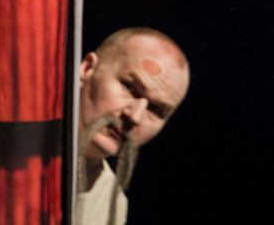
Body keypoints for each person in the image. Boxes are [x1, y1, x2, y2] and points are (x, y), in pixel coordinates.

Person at [76, 27, 190, 225]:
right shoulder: (18, 134)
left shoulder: (112, 205)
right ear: (87, 69)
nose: (135, 116)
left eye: (155, 109)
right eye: (130, 88)